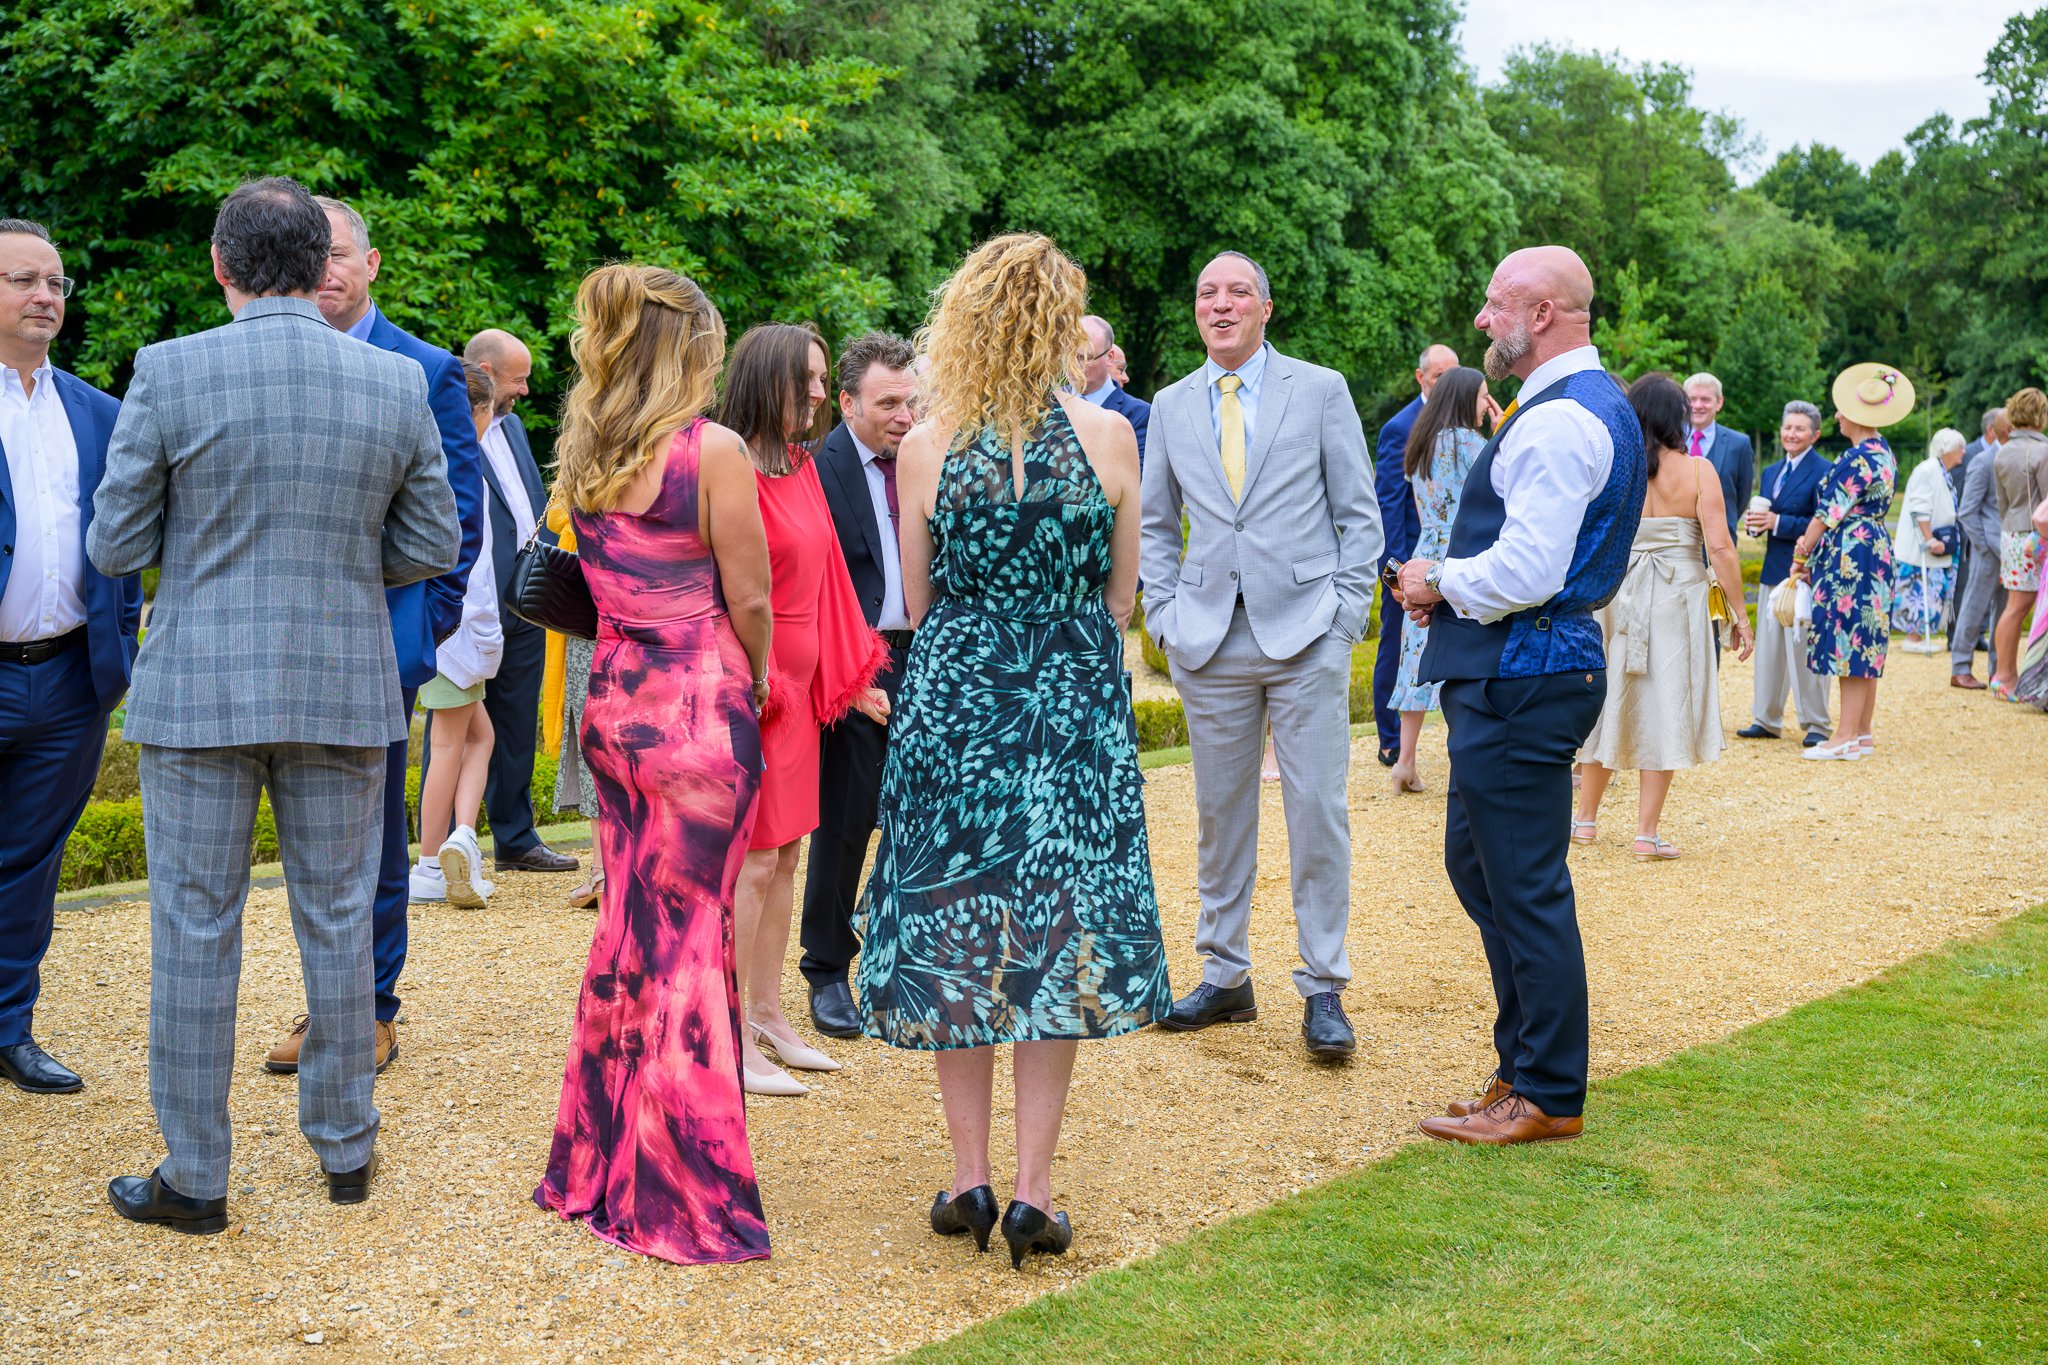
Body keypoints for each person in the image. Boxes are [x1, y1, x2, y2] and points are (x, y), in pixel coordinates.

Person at [92, 176, 460, 1231]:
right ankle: (345, 1148)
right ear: (319, 265)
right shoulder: (391, 383)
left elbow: (116, 545)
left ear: (222, 267)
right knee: (340, 919)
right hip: (341, 683)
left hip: (201, 683)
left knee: (194, 926)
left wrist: (198, 550)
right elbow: (432, 544)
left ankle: (195, 1176)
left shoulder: (167, 372)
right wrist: (345, 566)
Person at [857, 232, 1169, 1269]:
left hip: (957, 697)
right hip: (1071, 696)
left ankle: (968, 1178)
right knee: (1052, 933)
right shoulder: (1109, 440)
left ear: (964, 320)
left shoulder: (925, 445)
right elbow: (1121, 597)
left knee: (956, 924)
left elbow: (916, 598)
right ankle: (1035, 1192)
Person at [534, 263, 775, 1265]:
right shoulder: (710, 449)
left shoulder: (586, 446)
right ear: (691, 353)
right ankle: (676, 1190)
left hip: (615, 699)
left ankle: (592, 1163)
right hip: (691, 702)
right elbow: (751, 596)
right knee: (687, 938)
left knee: (632, 931)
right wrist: (751, 684)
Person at [1393, 245, 1646, 1146]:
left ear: (1541, 314)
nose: (1482, 320)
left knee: (1526, 882)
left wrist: (1437, 578)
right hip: (1527, 668)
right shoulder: (1573, 404)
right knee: (1481, 866)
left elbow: (1532, 568)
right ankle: (1520, 1063)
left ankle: (1548, 1090)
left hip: (1526, 670)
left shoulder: (1556, 420)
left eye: (1496, 303)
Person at [1139, 250, 1380, 1062]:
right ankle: (1225, 975)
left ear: (1266, 308)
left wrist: (1345, 616)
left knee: (1318, 812)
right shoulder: (1170, 405)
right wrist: (1166, 620)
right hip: (1209, 637)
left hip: (1308, 630)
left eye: (1237, 291)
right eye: (1207, 292)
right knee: (1219, 816)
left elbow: (1359, 513)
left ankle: (1323, 985)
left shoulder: (1320, 389)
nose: (1221, 304)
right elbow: (1153, 526)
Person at [264, 195, 485, 1079]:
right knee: (305, 840)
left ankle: (367, 1008)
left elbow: (458, 526)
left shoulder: (426, 370)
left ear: (372, 263)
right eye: (312, 253)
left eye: (340, 253)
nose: (326, 269)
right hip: (279, 642)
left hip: (376, 645)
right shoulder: (273, 361)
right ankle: (331, 989)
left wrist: (416, 632)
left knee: (370, 839)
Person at [717, 323, 889, 1097]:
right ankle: (722, 1031)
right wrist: (753, 675)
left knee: (786, 854)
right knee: (752, 859)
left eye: (823, 380)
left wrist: (849, 676)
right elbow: (728, 591)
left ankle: (767, 1014)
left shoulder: (797, 464)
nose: (822, 393)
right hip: (753, 683)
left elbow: (829, 582)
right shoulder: (728, 465)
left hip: (800, 679)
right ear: (767, 380)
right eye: (810, 380)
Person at [0, 218, 142, 1096]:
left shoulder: (100, 411)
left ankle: (10, 1026)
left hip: (67, 681)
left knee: (30, 862)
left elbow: (123, 542)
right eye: (24, 281)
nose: (46, 297)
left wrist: (117, 648)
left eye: (55, 283)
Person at [1573, 375, 1752, 859]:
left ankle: (1585, 820)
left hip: (1619, 594)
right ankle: (1645, 834)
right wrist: (1740, 614)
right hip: (1677, 598)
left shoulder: (1616, 468)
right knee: (1667, 703)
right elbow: (1720, 546)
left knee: (1608, 697)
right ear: (1679, 418)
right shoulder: (1698, 472)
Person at [801, 331, 918, 1039]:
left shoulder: (932, 457)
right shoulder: (818, 469)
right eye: (888, 404)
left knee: (924, 814)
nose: (905, 416)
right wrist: (847, 677)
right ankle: (826, 966)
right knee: (847, 818)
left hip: (930, 653)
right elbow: (812, 584)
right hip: (854, 657)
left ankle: (902, 953)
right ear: (846, 402)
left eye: (911, 401)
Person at [463, 327, 578, 875]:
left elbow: (529, 504)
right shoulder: (452, 428)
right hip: (469, 603)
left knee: (514, 722)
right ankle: (441, 844)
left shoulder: (510, 430)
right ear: (485, 373)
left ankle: (514, 838)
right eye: (519, 379)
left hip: (525, 601)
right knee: (454, 720)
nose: (526, 391)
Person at [409, 361, 505, 908]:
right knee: (447, 742)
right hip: (456, 628)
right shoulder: (458, 466)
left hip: (453, 627)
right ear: (476, 411)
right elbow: (479, 567)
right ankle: (428, 860)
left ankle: (463, 837)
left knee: (478, 736)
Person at [1792, 363, 1912, 760]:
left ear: (1856, 417)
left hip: (1851, 554)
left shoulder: (1857, 459)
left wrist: (1802, 552)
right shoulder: (1884, 453)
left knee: (1850, 640)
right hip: (1873, 549)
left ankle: (1843, 736)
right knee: (1867, 637)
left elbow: (1827, 513)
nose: (1838, 415)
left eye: (1842, 410)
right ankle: (1861, 733)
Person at [1386, 364, 1490, 793]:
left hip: (1424, 552)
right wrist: (1500, 429)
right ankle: (1463, 761)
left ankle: (1404, 761)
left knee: (1415, 657)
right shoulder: (1471, 443)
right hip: (1460, 552)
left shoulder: (1423, 443)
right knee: (1460, 655)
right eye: (1484, 395)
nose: (1488, 403)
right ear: (1467, 398)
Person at [1372, 344, 1461, 767]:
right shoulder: (1399, 428)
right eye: (1438, 375)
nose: (1445, 382)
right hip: (1408, 558)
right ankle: (1390, 740)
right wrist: (1395, 574)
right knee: (1396, 644)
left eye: (1452, 375)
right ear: (1420, 378)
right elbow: (1388, 505)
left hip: (1448, 563)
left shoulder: (1462, 429)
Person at [1737, 401, 1832, 745]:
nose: (1791, 433)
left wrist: (1778, 523)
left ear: (1815, 435)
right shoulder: (1772, 470)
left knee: (1806, 650)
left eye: (1800, 428)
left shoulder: (1825, 470)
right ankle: (1766, 718)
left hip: (1806, 572)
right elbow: (1767, 517)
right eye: (1787, 427)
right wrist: (1758, 526)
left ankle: (1817, 723)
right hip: (1773, 568)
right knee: (1770, 650)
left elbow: (1824, 522)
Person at [539, 495, 604, 910]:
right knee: (598, 744)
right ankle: (605, 868)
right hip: (596, 611)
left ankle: (604, 870)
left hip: (594, 611)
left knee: (597, 743)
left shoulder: (583, 474)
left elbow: (558, 510)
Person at [1989, 388, 2048, 701]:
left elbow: (2003, 502)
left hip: (2010, 533)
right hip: (2037, 537)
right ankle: (2011, 677)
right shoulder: (2043, 451)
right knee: (2023, 608)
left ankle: (2003, 674)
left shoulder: (2003, 451)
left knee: (2013, 608)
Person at [1951, 407, 2010, 688]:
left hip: (2012, 551)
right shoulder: (1983, 461)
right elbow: (1967, 511)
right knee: (1973, 609)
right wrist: (1984, 547)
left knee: (2005, 612)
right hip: (1987, 550)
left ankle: (1998, 671)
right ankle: (1960, 668)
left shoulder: (2011, 456)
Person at [1892, 428, 1965, 651]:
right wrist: (1929, 538)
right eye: (1959, 448)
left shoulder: (1941, 471)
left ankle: (1919, 637)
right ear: (1946, 450)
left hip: (1938, 547)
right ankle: (1914, 638)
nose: (1963, 452)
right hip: (1923, 549)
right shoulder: (1928, 470)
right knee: (1920, 590)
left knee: (1932, 590)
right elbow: (1920, 507)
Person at [1682, 372, 1754, 540]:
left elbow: (1742, 497)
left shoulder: (1739, 444)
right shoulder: (1668, 439)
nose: (1698, 405)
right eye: (1692, 399)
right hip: (1677, 545)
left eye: (1706, 399)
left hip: (1721, 540)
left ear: (1719, 402)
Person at [1077, 314, 1150, 463]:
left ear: (1110, 357)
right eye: (1068, 356)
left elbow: (1139, 481)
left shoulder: (1140, 415)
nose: (1074, 367)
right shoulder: (1049, 404)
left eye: (1085, 358)